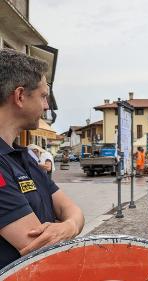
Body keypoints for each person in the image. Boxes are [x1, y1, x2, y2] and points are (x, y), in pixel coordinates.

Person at [0, 48, 84, 269]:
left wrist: (68, 227)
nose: (47, 106)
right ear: (19, 96)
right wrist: (68, 225)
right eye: (43, 96)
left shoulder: (25, 157)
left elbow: (72, 210)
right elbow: (41, 250)